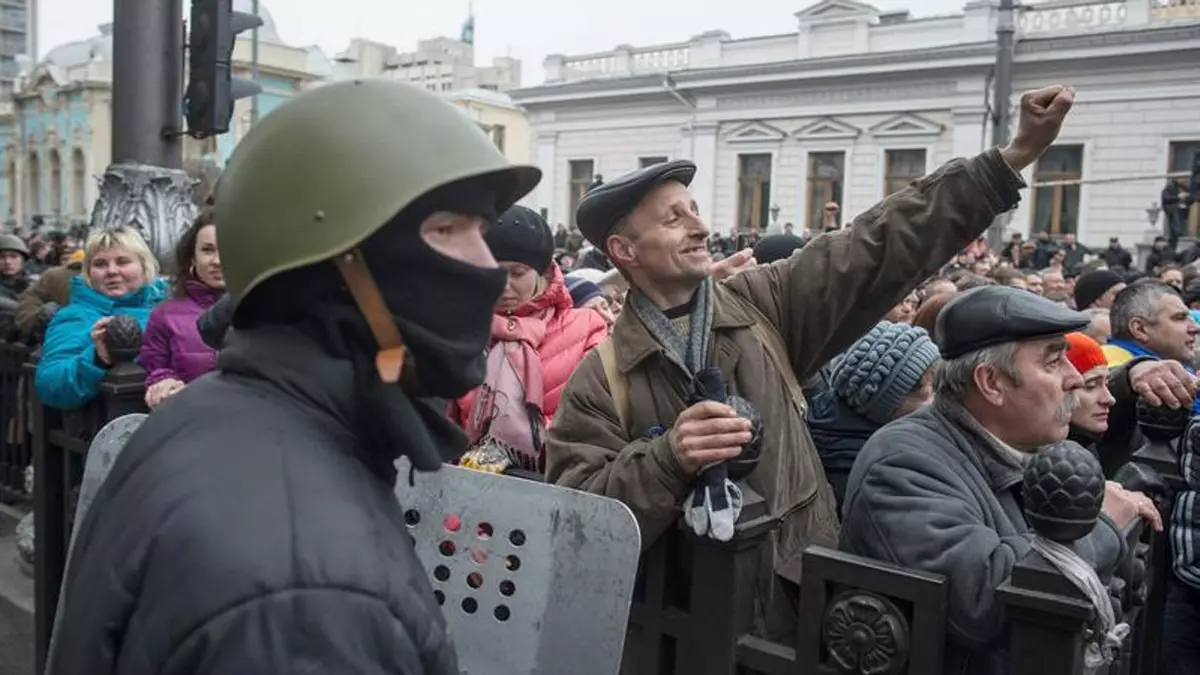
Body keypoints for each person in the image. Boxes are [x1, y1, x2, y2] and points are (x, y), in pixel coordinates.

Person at [547, 84, 1078, 641]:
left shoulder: (766, 306)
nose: (700, 228)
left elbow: (878, 243)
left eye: (695, 211)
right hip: (678, 640)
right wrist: (668, 458)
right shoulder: (601, 379)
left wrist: (1011, 158)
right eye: (673, 219)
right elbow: (578, 523)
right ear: (625, 251)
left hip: (800, 622)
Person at [46, 79, 541, 675]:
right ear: (338, 262)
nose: (487, 268)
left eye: (480, 232)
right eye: (445, 230)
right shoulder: (313, 597)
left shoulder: (220, 416)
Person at [841, 286, 1165, 674]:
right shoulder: (902, 462)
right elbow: (984, 602)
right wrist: (1099, 525)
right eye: (1053, 362)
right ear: (991, 383)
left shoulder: (1021, 437)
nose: (1073, 378)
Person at [34, 227, 166, 410]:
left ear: (144, 266)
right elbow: (51, 385)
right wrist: (97, 358)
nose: (111, 271)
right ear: (88, 273)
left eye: (123, 261)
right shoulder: (74, 317)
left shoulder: (170, 309)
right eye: (100, 264)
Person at [139, 213, 224, 408]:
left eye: (228, 249)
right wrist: (165, 383)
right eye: (208, 250)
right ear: (193, 257)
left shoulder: (267, 309)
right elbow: (154, 369)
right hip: (194, 417)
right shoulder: (165, 315)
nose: (217, 261)